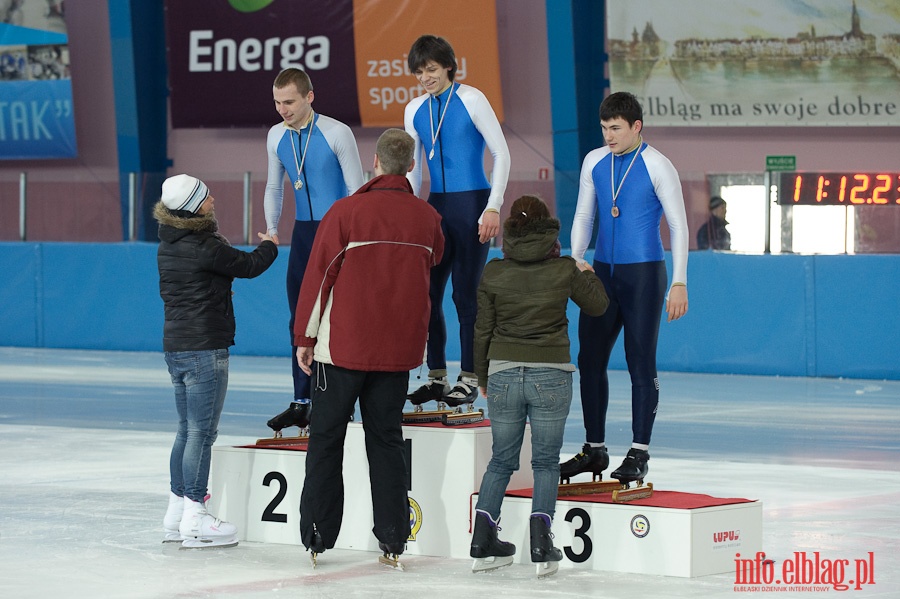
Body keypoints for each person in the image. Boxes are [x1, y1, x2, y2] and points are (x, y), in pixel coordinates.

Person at [293, 129, 445, 565]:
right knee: (387, 442)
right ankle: (394, 539)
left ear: (374, 162)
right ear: (412, 166)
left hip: (342, 349)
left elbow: (319, 278)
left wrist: (305, 338)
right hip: (397, 353)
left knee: (326, 441)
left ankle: (318, 537)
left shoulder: (346, 212)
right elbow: (436, 258)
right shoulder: (427, 219)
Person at [469, 195, 609, 576]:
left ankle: (482, 540)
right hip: (551, 374)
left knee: (501, 460)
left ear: (512, 228)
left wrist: (483, 376)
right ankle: (541, 544)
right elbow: (598, 306)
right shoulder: (565, 269)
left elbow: (481, 330)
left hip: (502, 374)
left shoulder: (494, 271)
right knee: (545, 462)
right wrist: (586, 271)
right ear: (548, 228)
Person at [562, 91, 689, 486]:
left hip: (644, 276)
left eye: (615, 128)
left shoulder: (657, 165)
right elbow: (584, 212)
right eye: (604, 128)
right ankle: (594, 448)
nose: (609, 136)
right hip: (601, 273)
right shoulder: (595, 161)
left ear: (636, 126)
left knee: (640, 362)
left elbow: (679, 227)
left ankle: (639, 451)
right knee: (590, 360)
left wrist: (680, 280)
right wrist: (577, 257)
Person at [155, 174, 277, 548]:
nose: (213, 200)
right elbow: (250, 264)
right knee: (202, 433)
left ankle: (177, 511)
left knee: (186, 429)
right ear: (193, 206)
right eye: (206, 196)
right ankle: (195, 513)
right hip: (205, 348)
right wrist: (271, 244)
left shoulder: (168, 243)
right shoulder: (203, 245)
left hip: (176, 347)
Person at [403, 34, 511, 409]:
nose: (425, 78)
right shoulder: (414, 108)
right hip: (436, 207)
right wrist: (410, 208)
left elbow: (501, 152)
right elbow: (413, 170)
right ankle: (436, 377)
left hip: (472, 204)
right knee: (427, 294)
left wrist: (493, 206)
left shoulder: (471, 99)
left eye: (430, 70)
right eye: (419, 72)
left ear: (448, 65)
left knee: (466, 295)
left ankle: (469, 376)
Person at [263, 68, 365, 436]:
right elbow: (275, 188)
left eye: (288, 101)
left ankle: (336, 402)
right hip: (304, 234)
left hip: (337, 234)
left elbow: (357, 190)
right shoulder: (276, 135)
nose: (282, 109)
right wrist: (272, 230)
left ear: (309, 97)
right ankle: (301, 401)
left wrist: (355, 240)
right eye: (277, 102)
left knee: (336, 320)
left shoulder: (337, 132)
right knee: (299, 319)